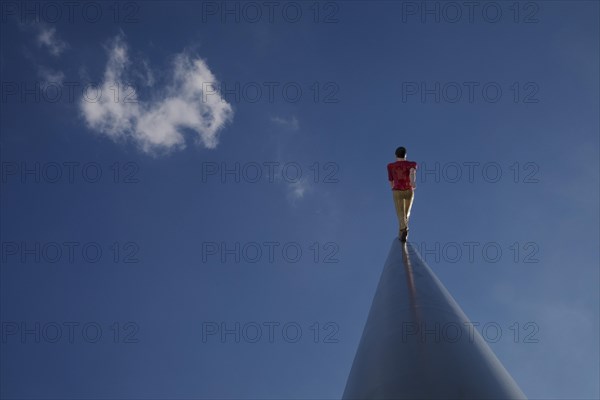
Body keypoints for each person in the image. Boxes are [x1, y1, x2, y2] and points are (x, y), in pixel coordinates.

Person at [387, 146, 417, 242]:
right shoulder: (412, 163)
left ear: (396, 155)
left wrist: (393, 188)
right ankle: (402, 234)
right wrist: (412, 182)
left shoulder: (391, 166)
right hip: (409, 190)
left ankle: (403, 230)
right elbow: (412, 172)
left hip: (397, 191)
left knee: (401, 214)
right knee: (407, 213)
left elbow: (391, 180)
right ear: (405, 155)